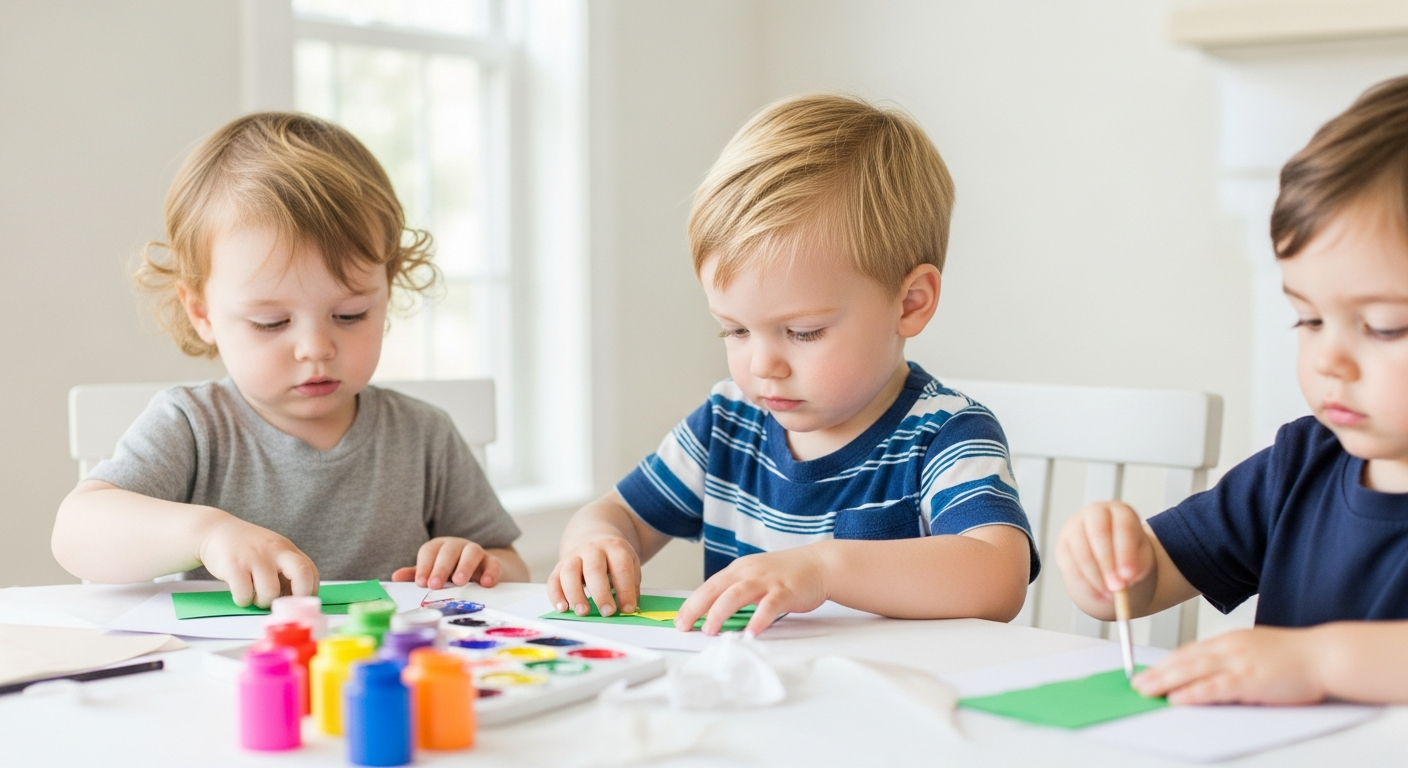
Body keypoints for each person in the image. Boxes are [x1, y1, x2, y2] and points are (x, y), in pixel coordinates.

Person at [549, 94, 1038, 636]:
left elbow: (998, 576)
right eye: (734, 329)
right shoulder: (727, 424)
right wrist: (595, 543)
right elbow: (614, 515)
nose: (763, 365)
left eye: (803, 332)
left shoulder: (946, 433)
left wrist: (824, 567)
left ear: (910, 303)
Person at [51, 113, 528, 607]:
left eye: (350, 314)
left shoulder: (423, 435)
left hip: (386, 673)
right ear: (202, 312)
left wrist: (476, 562)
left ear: (388, 291)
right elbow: (76, 533)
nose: (315, 348)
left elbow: (510, 565)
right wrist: (208, 534)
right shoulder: (193, 427)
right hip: (238, 674)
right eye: (272, 323)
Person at [1057, 76, 1408, 706]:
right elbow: (1146, 584)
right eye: (1308, 319)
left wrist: (1319, 661)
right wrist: (1110, 562)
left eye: (1384, 327)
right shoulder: (1299, 465)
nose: (1328, 357)